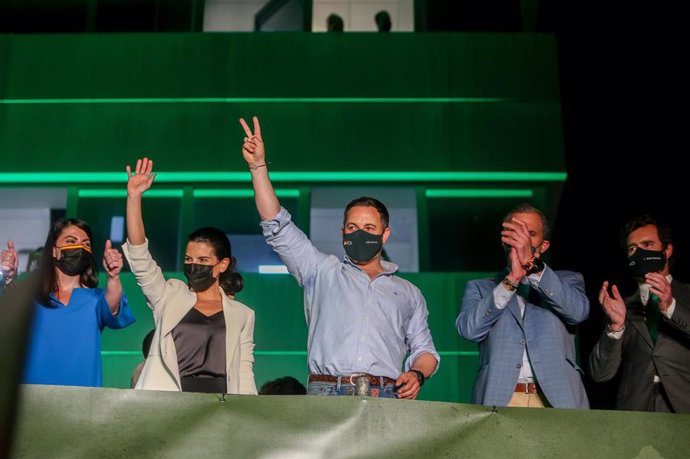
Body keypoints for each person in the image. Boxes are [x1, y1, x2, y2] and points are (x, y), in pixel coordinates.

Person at [239, 116, 439, 399]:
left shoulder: (408, 293)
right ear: (342, 232)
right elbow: (277, 224)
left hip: (386, 394)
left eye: (369, 228)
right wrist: (258, 167)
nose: (360, 234)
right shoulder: (320, 270)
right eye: (353, 227)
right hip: (327, 390)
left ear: (385, 235)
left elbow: (426, 350)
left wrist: (417, 374)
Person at [122, 158, 257, 395]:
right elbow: (140, 259)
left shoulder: (243, 314)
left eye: (203, 261)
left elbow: (244, 372)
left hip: (220, 405)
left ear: (222, 264)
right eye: (188, 259)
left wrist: (247, 417)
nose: (194, 266)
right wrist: (134, 198)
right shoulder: (169, 295)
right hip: (172, 400)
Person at [456, 203, 589, 408]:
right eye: (516, 233)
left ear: (543, 245)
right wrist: (511, 281)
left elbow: (578, 312)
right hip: (501, 400)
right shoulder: (480, 287)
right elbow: (468, 330)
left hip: (557, 400)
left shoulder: (567, 280)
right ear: (505, 240)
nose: (523, 240)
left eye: (530, 234)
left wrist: (532, 267)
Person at [1, 221, 135, 387]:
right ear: (54, 250)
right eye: (71, 241)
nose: (80, 247)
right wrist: (7, 276)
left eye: (86, 244)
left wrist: (113, 276)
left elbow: (113, 306)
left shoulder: (96, 298)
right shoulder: (32, 297)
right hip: (31, 398)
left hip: (82, 401)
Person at [588, 215, 690, 413]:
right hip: (636, 415)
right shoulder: (620, 307)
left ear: (667, 250)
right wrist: (615, 327)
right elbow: (600, 374)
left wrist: (671, 306)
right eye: (632, 248)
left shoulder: (687, 295)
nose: (639, 253)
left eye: (647, 244)